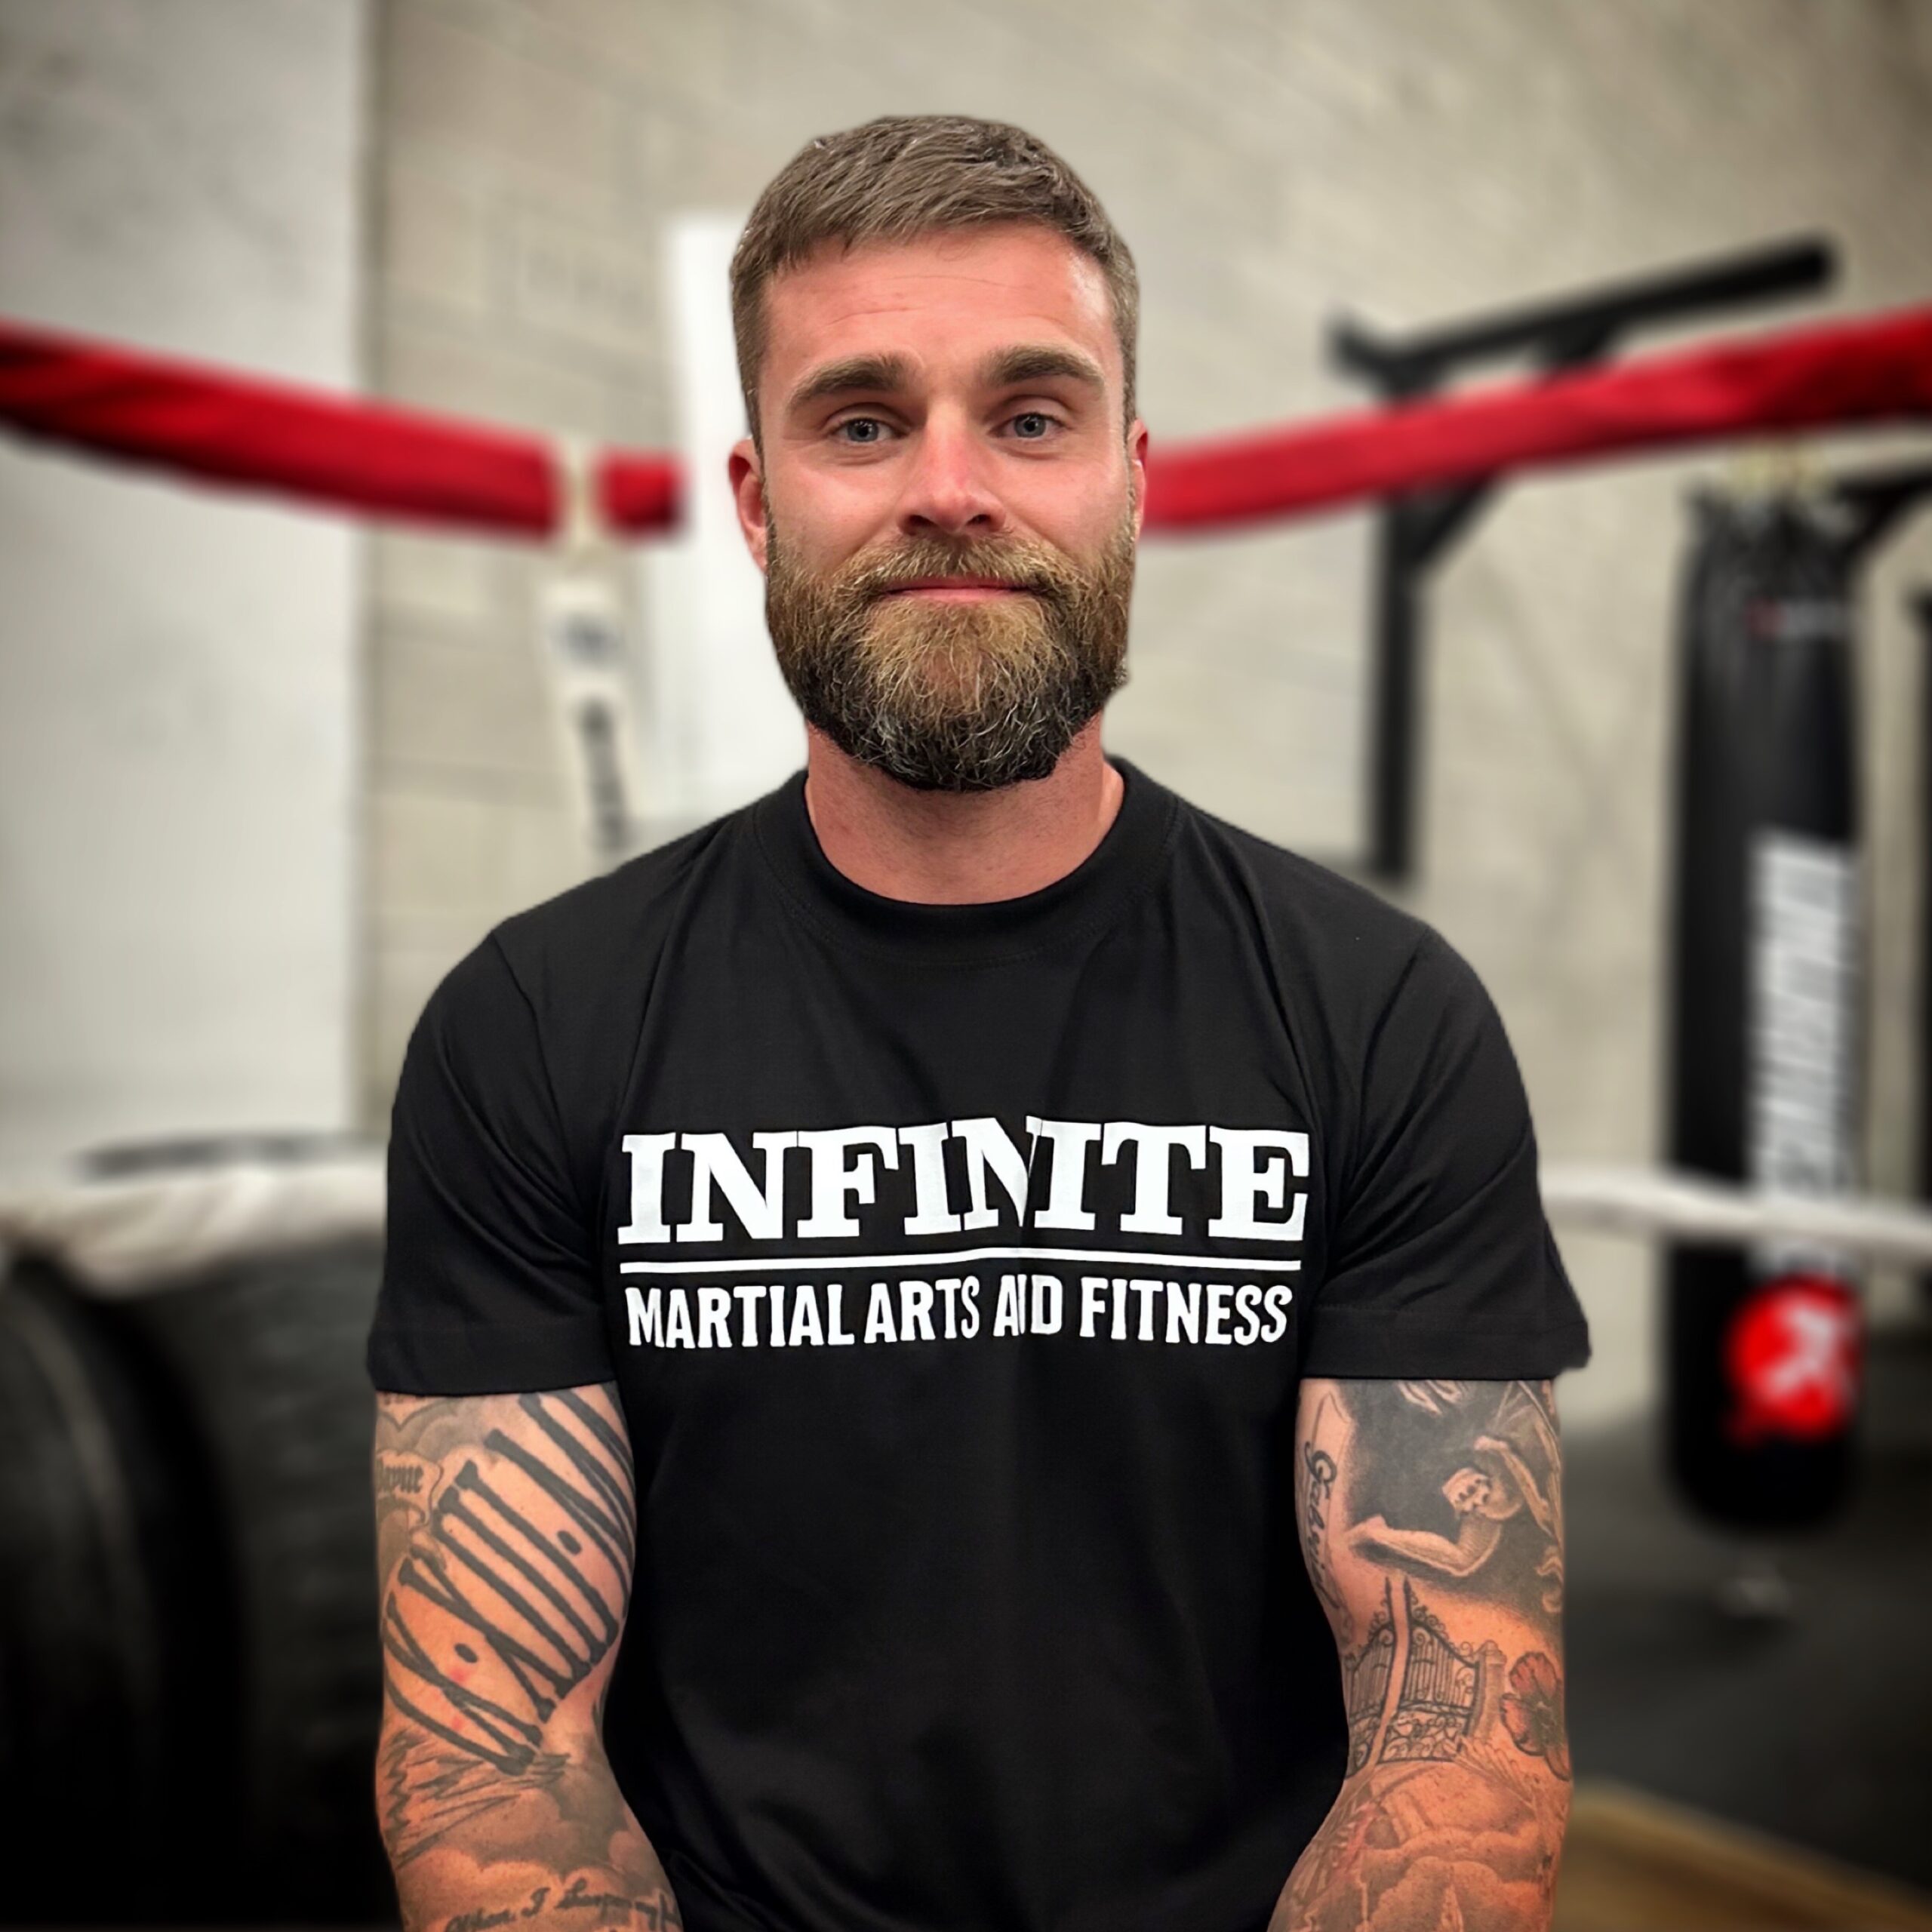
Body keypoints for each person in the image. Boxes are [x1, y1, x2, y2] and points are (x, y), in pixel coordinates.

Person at [368, 114, 1591, 1932]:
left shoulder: (1374, 1015)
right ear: (756, 498)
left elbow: (1456, 1728)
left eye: (1031, 414)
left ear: (1131, 477)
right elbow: (490, 1749)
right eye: (862, 420)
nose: (952, 485)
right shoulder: (533, 1026)